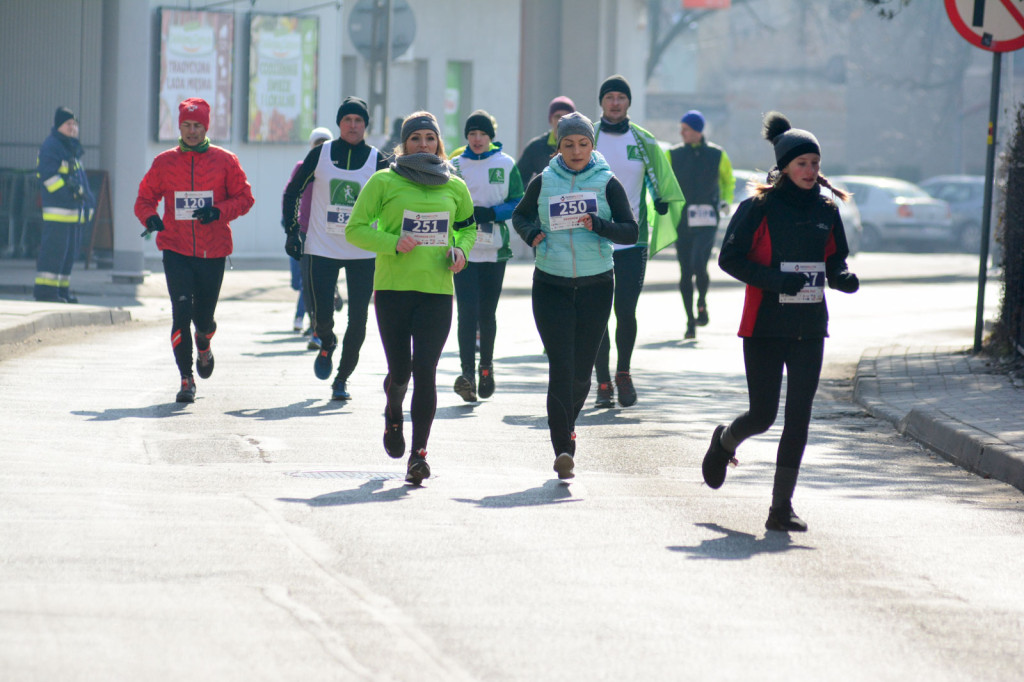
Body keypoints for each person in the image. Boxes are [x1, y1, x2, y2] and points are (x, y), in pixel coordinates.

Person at [702, 111, 860, 532]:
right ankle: (724, 442)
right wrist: (777, 281)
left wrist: (841, 278)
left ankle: (780, 508)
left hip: (810, 325)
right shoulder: (758, 207)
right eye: (802, 163)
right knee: (763, 414)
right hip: (765, 325)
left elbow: (834, 258)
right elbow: (729, 259)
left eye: (815, 163)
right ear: (785, 167)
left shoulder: (827, 210)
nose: (811, 170)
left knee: (799, 415)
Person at [345, 111, 476, 485]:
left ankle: (418, 456)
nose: (423, 145)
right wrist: (391, 242)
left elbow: (467, 228)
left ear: (439, 143)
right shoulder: (384, 181)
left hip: (437, 291)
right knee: (401, 370)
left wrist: (461, 252)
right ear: (404, 145)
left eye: (429, 138)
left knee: (426, 373)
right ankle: (392, 409)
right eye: (415, 138)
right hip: (392, 290)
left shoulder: (454, 185)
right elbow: (354, 230)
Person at [511, 112, 638, 480]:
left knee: (582, 373)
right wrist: (531, 233)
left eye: (583, 143)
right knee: (560, 369)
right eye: (569, 144)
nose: (576, 150)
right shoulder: (544, 180)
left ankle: (567, 425)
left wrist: (599, 225)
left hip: (597, 285)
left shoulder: (607, 182)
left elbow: (630, 231)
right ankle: (563, 447)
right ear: (559, 147)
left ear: (592, 146)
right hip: (550, 283)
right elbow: (520, 216)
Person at [135, 97, 255, 403]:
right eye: (186, 125)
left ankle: (204, 341)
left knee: (203, 319)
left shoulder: (225, 160)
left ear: (206, 127)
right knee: (181, 313)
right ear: (179, 126)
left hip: (213, 251)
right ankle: (186, 378)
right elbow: (144, 198)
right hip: (175, 248)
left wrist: (218, 211)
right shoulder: (165, 162)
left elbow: (245, 198)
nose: (191, 131)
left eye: (197, 125)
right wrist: (150, 217)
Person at [282, 97, 390, 401]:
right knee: (321, 316)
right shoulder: (321, 154)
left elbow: (395, 202)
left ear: (366, 125)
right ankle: (327, 342)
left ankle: (342, 378)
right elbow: (293, 190)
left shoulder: (378, 160)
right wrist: (293, 231)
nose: (353, 126)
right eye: (347, 120)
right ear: (339, 124)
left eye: (359, 121)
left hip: (363, 251)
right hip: (321, 247)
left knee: (359, 320)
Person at [592, 75, 684, 408]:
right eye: (609, 97)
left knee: (625, 311)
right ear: (601, 102)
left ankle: (623, 374)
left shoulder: (643, 140)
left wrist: (660, 199)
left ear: (628, 102)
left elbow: (663, 181)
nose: (615, 103)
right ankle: (602, 381)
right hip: (594, 239)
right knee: (598, 313)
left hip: (632, 241)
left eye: (621, 97)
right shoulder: (588, 137)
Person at [449, 110, 524, 401]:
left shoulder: (505, 164)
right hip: (463, 249)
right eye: (471, 134)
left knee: (486, 314)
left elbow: (518, 202)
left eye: (481, 134)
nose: (477, 139)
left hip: (494, 250)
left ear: (490, 136)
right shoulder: (455, 165)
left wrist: (492, 212)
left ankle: (486, 367)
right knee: (466, 313)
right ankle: (467, 373)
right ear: (466, 137)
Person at [668, 109, 734, 340]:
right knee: (685, 271)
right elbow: (663, 181)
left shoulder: (717, 154)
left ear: (697, 131)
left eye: (686, 129)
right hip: (682, 219)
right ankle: (690, 321)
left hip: (707, 218)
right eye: (681, 129)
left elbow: (728, 180)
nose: (682, 133)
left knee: (698, 263)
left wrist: (726, 200)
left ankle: (702, 302)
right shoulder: (673, 154)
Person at [34, 106, 96, 303]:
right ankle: (46, 293)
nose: (73, 128)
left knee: (68, 256)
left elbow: (79, 179)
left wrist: (86, 199)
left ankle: (61, 292)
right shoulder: (52, 146)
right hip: (58, 213)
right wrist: (69, 194)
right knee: (54, 254)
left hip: (72, 214)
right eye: (69, 124)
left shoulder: (70, 147)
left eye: (75, 124)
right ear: (58, 125)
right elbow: (48, 177)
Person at [284, 126, 333, 334]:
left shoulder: (335, 169)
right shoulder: (302, 167)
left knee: (318, 281)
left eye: (325, 144)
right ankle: (315, 321)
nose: (321, 148)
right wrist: (290, 226)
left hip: (330, 232)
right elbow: (290, 194)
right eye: (317, 144)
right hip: (305, 230)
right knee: (303, 281)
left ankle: (318, 328)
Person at [516, 96, 576, 187]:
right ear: (550, 120)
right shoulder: (536, 147)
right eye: (557, 116)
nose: (561, 120)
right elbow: (518, 181)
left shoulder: (582, 146)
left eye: (566, 116)